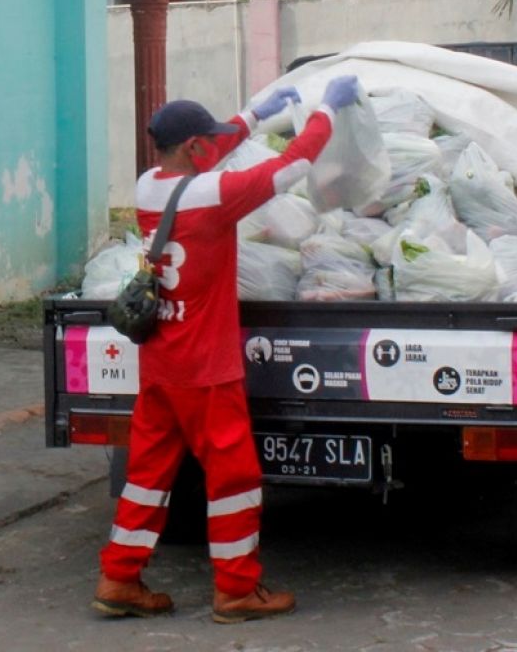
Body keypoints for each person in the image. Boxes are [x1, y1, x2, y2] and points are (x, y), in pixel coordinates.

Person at [92, 75, 361, 623]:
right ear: (193, 148)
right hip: (207, 372)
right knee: (234, 480)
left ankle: (119, 578)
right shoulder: (212, 196)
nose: (213, 145)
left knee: (147, 476)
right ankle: (237, 590)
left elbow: (213, 150)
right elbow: (294, 166)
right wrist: (326, 112)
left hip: (161, 364)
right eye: (205, 141)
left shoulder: (147, 187)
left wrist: (255, 117)